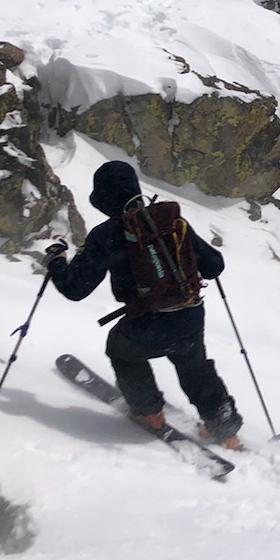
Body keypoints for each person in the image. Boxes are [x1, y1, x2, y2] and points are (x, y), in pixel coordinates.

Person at [42, 160, 243, 448]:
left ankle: (149, 413)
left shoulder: (105, 235)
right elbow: (214, 266)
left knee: (121, 350)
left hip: (149, 324)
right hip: (189, 316)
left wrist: (56, 261)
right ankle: (226, 430)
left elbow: (75, 289)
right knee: (195, 366)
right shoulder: (171, 221)